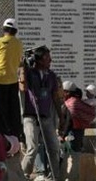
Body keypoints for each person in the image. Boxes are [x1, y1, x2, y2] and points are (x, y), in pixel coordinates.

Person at [20, 46, 62, 181]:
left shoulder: (51, 76)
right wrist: (23, 66)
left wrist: (61, 116)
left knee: (54, 148)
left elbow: (55, 97)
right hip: (30, 116)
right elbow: (23, 86)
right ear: (39, 60)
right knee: (32, 147)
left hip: (46, 117)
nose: (51, 60)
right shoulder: (30, 73)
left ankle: (53, 176)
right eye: (47, 58)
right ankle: (22, 175)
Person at [60, 81, 96, 181]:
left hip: (72, 132)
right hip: (78, 131)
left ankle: (69, 178)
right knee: (72, 155)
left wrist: (63, 134)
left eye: (63, 91)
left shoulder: (71, 103)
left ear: (67, 92)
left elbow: (69, 120)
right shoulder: (76, 101)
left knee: (71, 156)